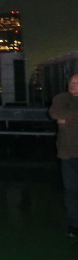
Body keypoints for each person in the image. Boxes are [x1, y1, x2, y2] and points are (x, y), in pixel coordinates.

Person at [49, 73, 78, 238]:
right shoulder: (62, 97)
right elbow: (54, 113)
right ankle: (74, 224)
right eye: (71, 81)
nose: (72, 84)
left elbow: (63, 116)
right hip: (67, 153)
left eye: (76, 82)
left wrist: (65, 118)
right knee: (71, 190)